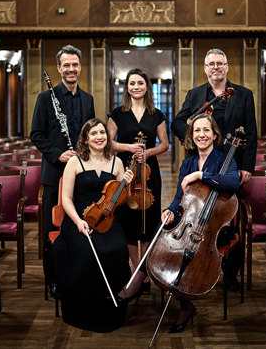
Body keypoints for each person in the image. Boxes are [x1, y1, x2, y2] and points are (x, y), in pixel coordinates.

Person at [118, 114, 240, 333]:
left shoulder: (223, 159)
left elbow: (233, 182)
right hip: (191, 222)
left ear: (214, 134)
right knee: (161, 228)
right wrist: (170, 211)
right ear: (191, 136)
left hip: (215, 227)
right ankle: (147, 276)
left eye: (205, 130)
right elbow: (179, 199)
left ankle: (175, 300)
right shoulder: (188, 162)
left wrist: (200, 175)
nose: (201, 135)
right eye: (196, 131)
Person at [170, 48, 257, 289]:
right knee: (197, 215)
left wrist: (248, 165)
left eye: (220, 63)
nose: (216, 67)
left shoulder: (243, 94)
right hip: (201, 159)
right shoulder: (196, 95)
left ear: (227, 67)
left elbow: (251, 131)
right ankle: (197, 262)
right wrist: (190, 136)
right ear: (205, 68)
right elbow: (177, 122)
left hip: (231, 163)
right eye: (211, 64)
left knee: (230, 220)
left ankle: (230, 273)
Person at [52, 118, 134, 332]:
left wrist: (127, 183)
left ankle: (111, 308)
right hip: (78, 219)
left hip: (106, 219)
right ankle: (83, 310)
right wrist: (78, 221)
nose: (99, 137)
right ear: (86, 139)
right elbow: (66, 198)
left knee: (117, 250)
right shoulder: (75, 162)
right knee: (86, 252)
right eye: (94, 134)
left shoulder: (117, 162)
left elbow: (121, 200)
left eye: (102, 133)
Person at [30, 44, 95, 298]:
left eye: (75, 64)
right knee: (53, 229)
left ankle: (77, 274)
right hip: (55, 174)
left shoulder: (88, 99)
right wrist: (59, 153)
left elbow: (92, 135)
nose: (71, 69)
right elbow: (36, 134)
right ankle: (54, 279)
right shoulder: (45, 98)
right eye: (66, 65)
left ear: (80, 67)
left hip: (82, 175)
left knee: (79, 226)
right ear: (59, 68)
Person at [107, 69, 169, 289]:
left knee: (150, 219)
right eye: (131, 83)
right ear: (127, 87)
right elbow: (108, 142)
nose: (136, 87)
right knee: (129, 220)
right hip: (126, 171)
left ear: (146, 86)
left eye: (140, 83)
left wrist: (148, 152)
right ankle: (137, 272)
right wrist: (128, 147)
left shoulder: (156, 114)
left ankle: (146, 267)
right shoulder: (117, 113)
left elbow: (164, 144)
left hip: (149, 172)